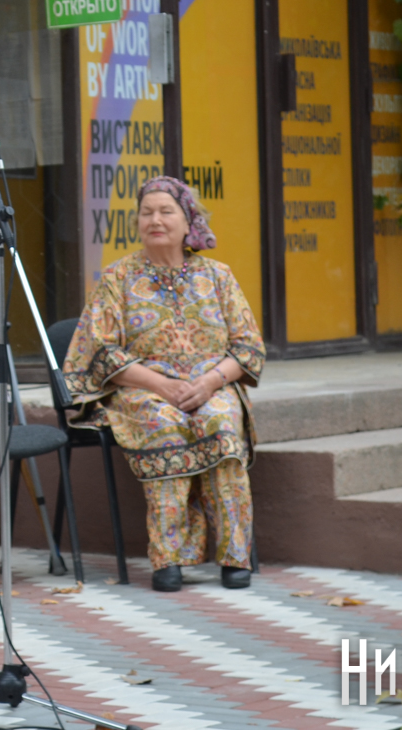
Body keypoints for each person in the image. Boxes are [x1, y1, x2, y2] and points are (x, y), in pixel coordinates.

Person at [63, 175, 264, 594]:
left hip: (210, 385)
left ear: (189, 220)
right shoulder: (118, 277)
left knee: (221, 425)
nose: (155, 220)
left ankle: (235, 556)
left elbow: (248, 347)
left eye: (166, 211)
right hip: (143, 389)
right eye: (146, 212)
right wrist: (161, 385)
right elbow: (100, 352)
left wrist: (209, 383)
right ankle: (168, 558)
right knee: (165, 426)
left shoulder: (218, 276)